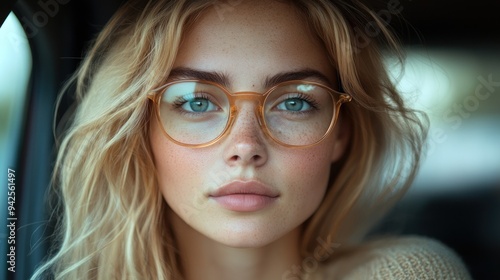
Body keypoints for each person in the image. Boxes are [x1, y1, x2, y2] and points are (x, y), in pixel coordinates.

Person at [32, 0, 471, 279]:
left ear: (341, 133)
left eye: (295, 103)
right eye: (197, 102)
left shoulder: (408, 273)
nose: (246, 146)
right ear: (139, 130)